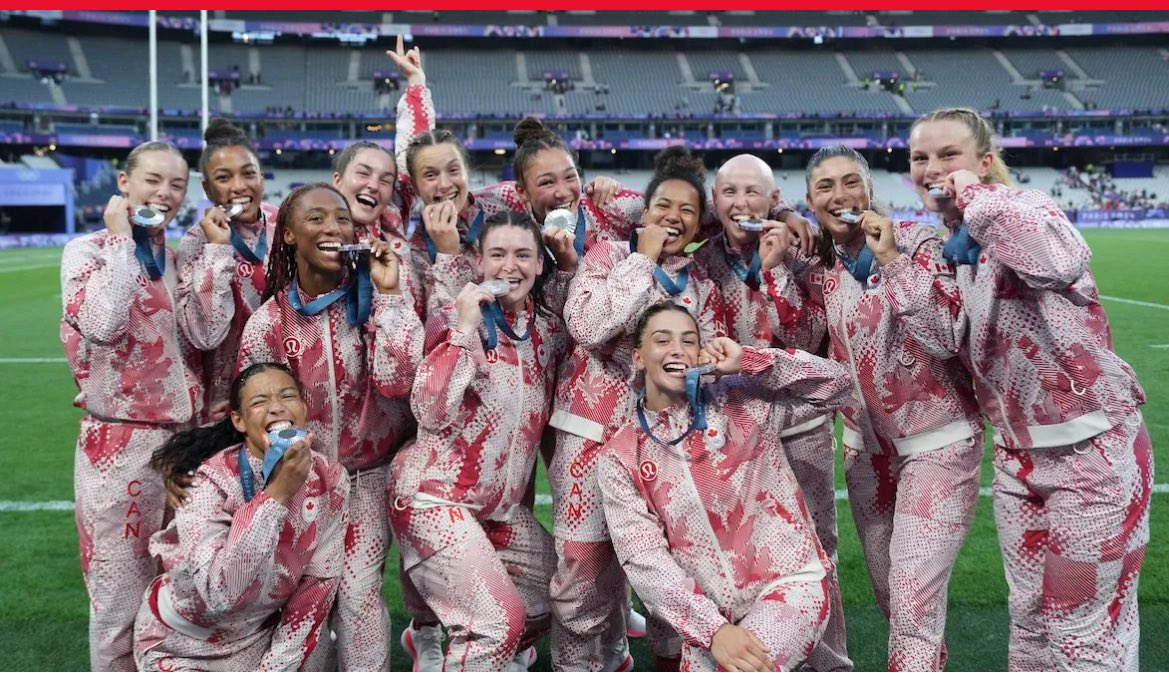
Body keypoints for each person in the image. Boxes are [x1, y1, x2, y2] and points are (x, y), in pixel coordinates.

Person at [909, 108, 1152, 671]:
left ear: (985, 164)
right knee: (1032, 620)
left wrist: (976, 196)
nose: (932, 168)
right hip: (1020, 459)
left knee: (1078, 623)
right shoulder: (959, 244)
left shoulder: (1023, 209)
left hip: (1092, 451)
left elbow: (1060, 262)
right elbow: (945, 339)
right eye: (921, 157)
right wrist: (900, 262)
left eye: (950, 156)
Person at [599, 302, 853, 671]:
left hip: (791, 585)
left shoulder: (743, 399)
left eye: (688, 340)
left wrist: (750, 361)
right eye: (662, 339)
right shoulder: (621, 455)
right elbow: (645, 562)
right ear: (638, 357)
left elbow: (838, 386)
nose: (676, 349)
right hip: (712, 616)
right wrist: (713, 630)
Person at [549, 146, 727, 671]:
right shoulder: (606, 257)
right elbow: (588, 328)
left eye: (687, 211)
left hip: (665, 441)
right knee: (583, 567)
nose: (673, 217)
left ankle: (672, 663)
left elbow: (703, 368)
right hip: (589, 436)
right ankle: (584, 664)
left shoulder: (703, 286)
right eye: (662, 206)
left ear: (701, 223)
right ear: (643, 211)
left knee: (674, 568)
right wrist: (641, 258)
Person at [806, 145, 983, 671]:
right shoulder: (824, 268)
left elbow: (944, 336)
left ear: (870, 190)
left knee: (911, 602)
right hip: (868, 457)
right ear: (810, 202)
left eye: (850, 183)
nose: (840, 196)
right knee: (895, 600)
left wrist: (890, 260)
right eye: (825, 187)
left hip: (938, 445)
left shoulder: (917, 243)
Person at [236, 183, 424, 671]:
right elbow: (256, 421)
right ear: (290, 237)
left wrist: (391, 296)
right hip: (305, 480)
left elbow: (402, 380)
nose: (334, 228)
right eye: (316, 219)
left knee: (359, 594)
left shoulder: (372, 300)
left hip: (370, 475)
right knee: (308, 599)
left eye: (341, 219)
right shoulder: (268, 324)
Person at [389, 210, 577, 672]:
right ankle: (471, 644)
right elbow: (430, 412)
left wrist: (570, 267)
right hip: (431, 498)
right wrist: (462, 330)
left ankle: (467, 650)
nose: (509, 266)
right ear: (479, 262)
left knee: (567, 595)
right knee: (498, 621)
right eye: (497, 254)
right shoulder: (453, 318)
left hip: (498, 510)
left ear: (538, 264)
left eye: (522, 255)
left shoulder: (547, 331)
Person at [696, 153, 849, 671]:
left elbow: (810, 340)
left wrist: (774, 271)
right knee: (739, 546)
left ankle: (828, 663)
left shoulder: (801, 256)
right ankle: (758, 649)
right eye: (729, 193)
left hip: (801, 420)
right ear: (714, 202)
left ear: (772, 199)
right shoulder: (701, 262)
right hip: (735, 431)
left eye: (752, 193)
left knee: (818, 545)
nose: (741, 203)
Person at [61, 140, 202, 672]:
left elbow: (205, 336)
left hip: (182, 442)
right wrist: (123, 241)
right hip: (117, 443)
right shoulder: (89, 251)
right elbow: (103, 323)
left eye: (176, 185)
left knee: (178, 591)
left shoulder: (178, 254)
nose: (164, 193)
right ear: (125, 183)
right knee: (118, 599)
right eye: (152, 180)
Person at [134, 363, 348, 671]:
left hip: (255, 640)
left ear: (303, 407)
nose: (276, 408)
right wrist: (276, 495)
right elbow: (220, 593)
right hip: (182, 642)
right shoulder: (208, 481)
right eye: (259, 402)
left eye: (287, 396)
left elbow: (317, 586)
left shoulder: (330, 477)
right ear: (239, 420)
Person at [176, 118, 280, 424]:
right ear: (207, 188)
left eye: (248, 173)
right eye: (224, 177)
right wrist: (218, 250)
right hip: (229, 402)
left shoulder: (285, 222)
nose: (239, 186)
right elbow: (205, 335)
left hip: (289, 386)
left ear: (261, 176)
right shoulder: (197, 242)